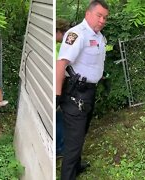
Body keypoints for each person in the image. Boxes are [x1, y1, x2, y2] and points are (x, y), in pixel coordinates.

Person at [56, 1, 109, 179]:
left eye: (105, 17)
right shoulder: (77, 34)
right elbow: (61, 64)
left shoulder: (99, 36)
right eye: (99, 15)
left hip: (89, 92)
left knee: (82, 132)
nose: (102, 20)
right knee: (73, 142)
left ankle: (76, 167)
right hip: (74, 94)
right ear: (88, 14)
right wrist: (56, 96)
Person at [56, 18, 70, 158]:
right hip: (56, 89)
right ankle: (60, 149)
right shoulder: (53, 47)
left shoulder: (54, 46)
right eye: (64, 33)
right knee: (59, 115)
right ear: (57, 31)